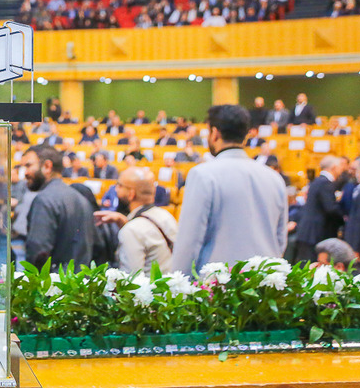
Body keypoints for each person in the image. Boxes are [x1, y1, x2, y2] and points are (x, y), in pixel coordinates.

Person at [174, 105, 288, 275]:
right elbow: (280, 241)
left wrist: (178, 283)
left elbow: (189, 241)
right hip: (264, 281)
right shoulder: (274, 178)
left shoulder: (202, 175)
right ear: (246, 135)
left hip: (219, 284)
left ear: (214, 133)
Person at [21, 144, 95, 270]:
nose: (25, 173)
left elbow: (38, 252)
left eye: (28, 166)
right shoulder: (81, 199)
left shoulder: (44, 200)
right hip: (81, 279)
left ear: (47, 166)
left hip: (53, 280)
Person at [96, 167, 177, 274]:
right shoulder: (166, 216)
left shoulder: (132, 230)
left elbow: (130, 278)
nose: (116, 189)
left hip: (149, 284)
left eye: (120, 185)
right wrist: (125, 223)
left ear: (131, 194)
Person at [292, 156, 345, 263]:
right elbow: (330, 208)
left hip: (308, 232)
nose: (342, 170)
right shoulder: (325, 183)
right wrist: (344, 219)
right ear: (334, 167)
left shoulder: (317, 181)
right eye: (340, 167)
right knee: (310, 267)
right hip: (315, 234)